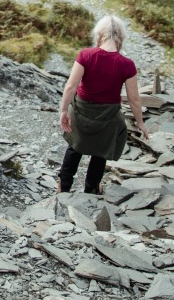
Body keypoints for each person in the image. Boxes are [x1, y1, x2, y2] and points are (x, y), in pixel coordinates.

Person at [57, 15, 148, 194]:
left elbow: (70, 86)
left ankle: (63, 187)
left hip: (82, 110)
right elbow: (134, 99)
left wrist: (63, 111)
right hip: (108, 115)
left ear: (99, 33)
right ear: (120, 37)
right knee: (100, 152)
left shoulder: (86, 55)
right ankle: (91, 189)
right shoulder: (127, 65)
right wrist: (140, 122)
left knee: (75, 147)